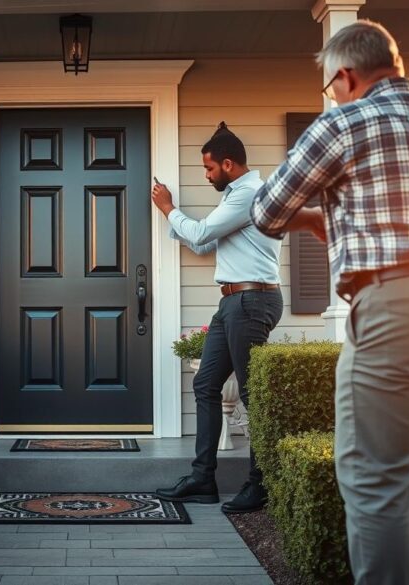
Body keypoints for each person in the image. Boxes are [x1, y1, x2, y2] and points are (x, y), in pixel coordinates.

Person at [249, 20, 409, 585]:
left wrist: (317, 216)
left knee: (372, 477)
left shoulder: (342, 121)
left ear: (345, 75)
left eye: (329, 84)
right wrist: (337, 220)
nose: (329, 94)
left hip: (400, 306)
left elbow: (268, 211)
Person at [151, 123, 283, 513]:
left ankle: (259, 485)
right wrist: (179, 222)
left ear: (228, 163)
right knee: (206, 383)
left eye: (209, 169)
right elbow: (205, 240)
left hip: (251, 300)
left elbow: (204, 231)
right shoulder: (235, 197)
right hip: (233, 302)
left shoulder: (250, 194)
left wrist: (168, 208)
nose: (206, 175)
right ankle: (202, 479)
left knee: (250, 394)